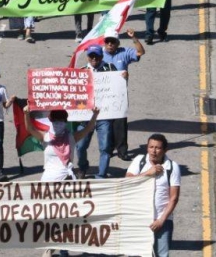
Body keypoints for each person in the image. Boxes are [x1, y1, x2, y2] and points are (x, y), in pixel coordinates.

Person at [126, 133, 181, 257]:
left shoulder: (172, 167)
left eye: (157, 148)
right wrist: (147, 173)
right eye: (151, 147)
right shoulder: (139, 161)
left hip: (162, 221)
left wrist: (161, 220)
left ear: (165, 150)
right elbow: (127, 181)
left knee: (161, 254)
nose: (153, 151)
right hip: (139, 219)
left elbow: (174, 198)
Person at [75, 46, 117, 179]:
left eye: (97, 56)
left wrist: (124, 76)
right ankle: (82, 167)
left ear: (102, 56)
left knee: (105, 147)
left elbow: (119, 85)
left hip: (104, 116)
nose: (94, 58)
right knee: (80, 146)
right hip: (85, 116)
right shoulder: (81, 72)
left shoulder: (111, 69)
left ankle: (101, 175)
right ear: (87, 56)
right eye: (91, 55)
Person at [102, 30, 145, 161]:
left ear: (117, 43)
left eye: (113, 42)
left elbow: (140, 52)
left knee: (120, 124)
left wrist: (134, 38)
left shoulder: (124, 52)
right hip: (103, 95)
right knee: (106, 124)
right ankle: (107, 149)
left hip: (119, 95)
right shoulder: (98, 54)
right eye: (107, 42)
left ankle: (122, 150)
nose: (110, 44)